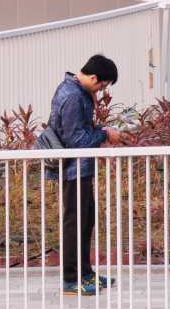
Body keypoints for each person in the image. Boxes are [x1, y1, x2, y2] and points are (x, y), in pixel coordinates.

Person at [44, 54, 128, 296]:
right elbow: (76, 140)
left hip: (80, 168)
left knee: (85, 220)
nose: (102, 90)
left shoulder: (77, 91)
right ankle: (72, 280)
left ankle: (85, 273)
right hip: (73, 168)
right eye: (102, 85)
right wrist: (105, 135)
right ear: (93, 77)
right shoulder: (72, 97)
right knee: (75, 223)